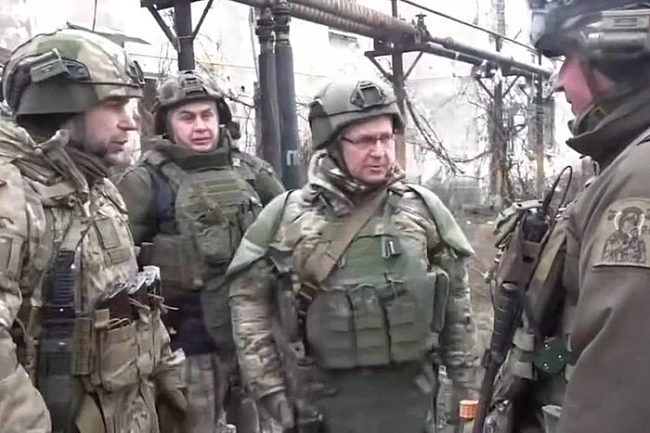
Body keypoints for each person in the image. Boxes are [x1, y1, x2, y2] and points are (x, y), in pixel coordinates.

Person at [225, 77, 478, 433]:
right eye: (364, 140)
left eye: (386, 138)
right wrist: (271, 393)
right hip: (320, 412)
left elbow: (457, 308)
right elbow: (249, 310)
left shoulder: (423, 211)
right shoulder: (286, 217)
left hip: (412, 407)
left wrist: (466, 388)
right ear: (332, 143)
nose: (380, 151)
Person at [0, 27, 186, 433]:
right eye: (115, 105)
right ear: (62, 105)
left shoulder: (99, 189)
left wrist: (166, 374)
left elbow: (132, 298)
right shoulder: (14, 195)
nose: (130, 123)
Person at [480, 1, 650, 432]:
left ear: (616, 55)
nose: (559, 82)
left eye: (567, 58)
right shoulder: (622, 166)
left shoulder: (638, 180)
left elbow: (616, 395)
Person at [116, 69, 285, 433]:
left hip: (256, 342)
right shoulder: (145, 181)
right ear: (167, 124)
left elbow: (292, 238)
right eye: (187, 117)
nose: (200, 126)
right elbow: (117, 266)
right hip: (187, 347)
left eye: (207, 115)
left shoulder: (253, 173)